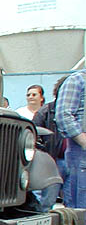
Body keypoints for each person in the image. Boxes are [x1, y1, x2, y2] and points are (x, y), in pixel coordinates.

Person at [54, 69, 86, 225]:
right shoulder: (77, 80)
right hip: (81, 153)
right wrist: (83, 140)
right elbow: (64, 114)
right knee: (81, 205)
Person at [32, 77, 68, 211]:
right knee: (46, 202)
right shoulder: (46, 111)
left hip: (72, 160)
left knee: (72, 201)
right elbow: (33, 134)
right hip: (52, 161)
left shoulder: (79, 112)